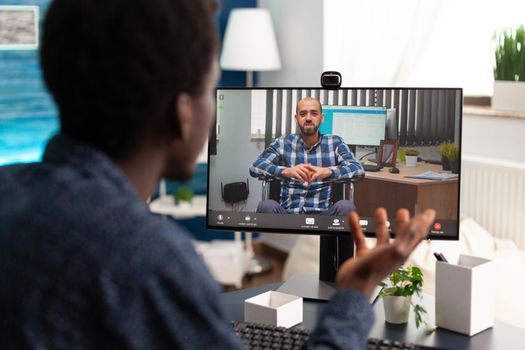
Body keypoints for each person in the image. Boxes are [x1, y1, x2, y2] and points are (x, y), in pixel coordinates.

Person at [0, 0, 436, 348]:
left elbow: (355, 170)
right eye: (210, 90)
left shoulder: (8, 192)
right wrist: (356, 293)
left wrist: (323, 170)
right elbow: (258, 167)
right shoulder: (146, 263)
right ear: (183, 114)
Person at [250, 97, 364, 215]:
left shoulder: (335, 142)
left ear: (322, 118)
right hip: (287, 214)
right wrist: (286, 171)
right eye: (303, 114)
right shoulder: (283, 142)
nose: (308, 118)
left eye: (314, 114)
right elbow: (256, 167)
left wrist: (328, 172)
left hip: (323, 215)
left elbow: (358, 170)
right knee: (266, 205)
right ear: (296, 118)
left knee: (347, 206)